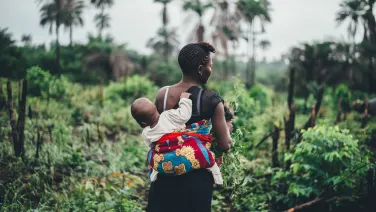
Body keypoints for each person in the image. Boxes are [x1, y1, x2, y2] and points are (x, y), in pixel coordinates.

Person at [147, 42, 232, 212]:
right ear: (201, 68)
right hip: (196, 183)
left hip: (164, 176)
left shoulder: (163, 95)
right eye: (210, 66)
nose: (211, 70)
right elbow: (225, 145)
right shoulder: (212, 100)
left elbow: (158, 130)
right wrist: (227, 129)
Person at [130, 93, 223, 184]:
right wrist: (184, 99)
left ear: (143, 124)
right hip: (181, 146)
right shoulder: (167, 115)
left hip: (165, 155)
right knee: (199, 149)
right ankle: (215, 172)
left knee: (152, 154)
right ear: (155, 107)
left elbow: (152, 145)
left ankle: (155, 171)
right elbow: (184, 115)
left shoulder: (146, 133)